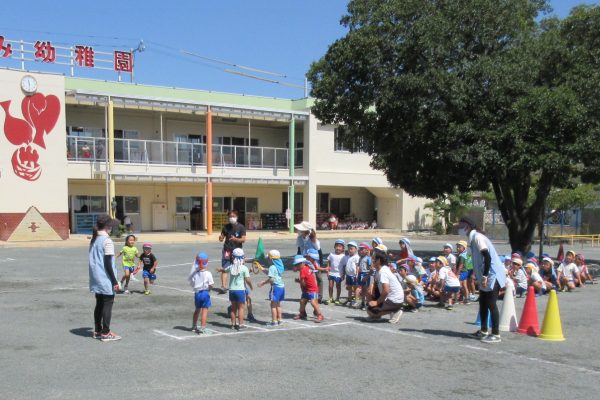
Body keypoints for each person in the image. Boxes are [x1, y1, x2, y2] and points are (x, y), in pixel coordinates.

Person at [458, 217, 506, 343]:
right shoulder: (472, 238)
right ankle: (483, 330)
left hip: (492, 274)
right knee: (483, 303)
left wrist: (484, 276)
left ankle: (496, 334)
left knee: (491, 304)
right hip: (485, 275)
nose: (459, 228)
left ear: (467, 226)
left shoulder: (477, 237)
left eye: (461, 225)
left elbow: (487, 257)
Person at [88, 214, 121, 342]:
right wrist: (114, 281)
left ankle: (97, 330)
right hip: (105, 276)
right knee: (108, 303)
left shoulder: (94, 239)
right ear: (107, 226)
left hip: (95, 276)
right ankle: (106, 332)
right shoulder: (107, 241)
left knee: (99, 303)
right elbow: (108, 263)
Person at [218, 248, 253, 330]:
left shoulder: (231, 267)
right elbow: (247, 280)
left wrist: (220, 269)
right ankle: (241, 325)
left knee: (233, 308)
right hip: (240, 290)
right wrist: (251, 286)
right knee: (241, 308)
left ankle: (233, 324)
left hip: (232, 290)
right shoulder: (244, 268)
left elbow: (225, 270)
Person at [365, 250, 404, 323]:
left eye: (373, 258)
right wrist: (370, 291)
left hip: (395, 300)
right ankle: (377, 314)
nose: (372, 260)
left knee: (371, 311)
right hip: (388, 297)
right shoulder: (378, 270)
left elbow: (386, 290)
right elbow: (375, 284)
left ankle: (396, 311)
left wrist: (376, 302)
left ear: (379, 260)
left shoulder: (383, 272)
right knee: (368, 303)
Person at [218, 210, 246, 294]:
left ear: (237, 217)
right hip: (227, 250)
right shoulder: (226, 227)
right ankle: (223, 287)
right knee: (225, 268)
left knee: (239, 268)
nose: (231, 218)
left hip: (237, 252)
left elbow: (243, 239)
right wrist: (220, 238)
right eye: (230, 216)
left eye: (233, 216)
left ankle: (241, 285)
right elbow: (221, 238)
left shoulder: (241, 227)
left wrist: (236, 239)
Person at [188, 252, 214, 334]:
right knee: (205, 310)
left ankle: (194, 325)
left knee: (197, 310)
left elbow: (193, 284)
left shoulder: (195, 274)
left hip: (197, 293)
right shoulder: (208, 273)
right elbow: (211, 284)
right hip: (205, 293)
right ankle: (202, 327)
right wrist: (209, 289)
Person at [292, 255, 324, 322]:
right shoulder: (305, 267)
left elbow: (303, 282)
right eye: (296, 265)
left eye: (298, 264)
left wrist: (299, 282)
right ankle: (302, 313)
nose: (297, 266)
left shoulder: (303, 270)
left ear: (303, 263)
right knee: (302, 301)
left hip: (312, 290)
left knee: (313, 302)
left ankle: (320, 315)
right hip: (307, 289)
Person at [258, 250, 285, 326]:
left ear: (271, 259)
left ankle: (274, 321)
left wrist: (263, 283)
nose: (267, 260)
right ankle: (279, 320)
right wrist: (262, 269)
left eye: (268, 258)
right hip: (281, 287)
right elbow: (272, 274)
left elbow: (271, 279)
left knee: (273, 305)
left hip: (275, 288)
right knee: (278, 305)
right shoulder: (279, 266)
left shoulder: (272, 267)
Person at [355, 243, 372, 310]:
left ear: (367, 250)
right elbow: (359, 267)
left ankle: (367, 303)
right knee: (362, 289)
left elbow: (370, 268)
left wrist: (368, 275)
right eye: (360, 249)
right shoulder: (360, 258)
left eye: (362, 249)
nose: (360, 251)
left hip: (366, 274)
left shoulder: (368, 258)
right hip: (361, 274)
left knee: (367, 289)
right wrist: (357, 274)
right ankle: (362, 303)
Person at [343, 241, 360, 307]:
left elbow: (357, 266)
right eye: (349, 248)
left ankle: (356, 301)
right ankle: (349, 300)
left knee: (355, 288)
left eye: (351, 248)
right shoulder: (347, 257)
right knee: (349, 288)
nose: (350, 250)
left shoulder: (356, 257)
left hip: (354, 275)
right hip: (348, 275)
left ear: (356, 249)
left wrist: (357, 274)